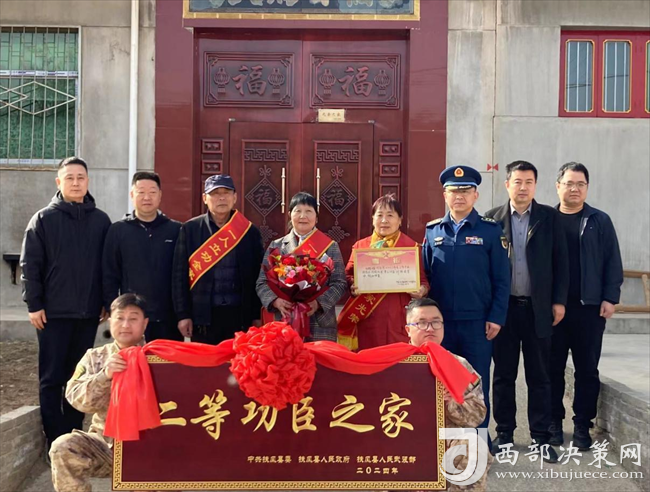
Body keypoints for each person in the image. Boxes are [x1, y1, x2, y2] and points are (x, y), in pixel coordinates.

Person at [20, 156, 111, 452]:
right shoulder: (44, 219)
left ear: (88, 181)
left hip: (88, 314)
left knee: (79, 377)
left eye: (80, 177)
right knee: (52, 378)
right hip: (52, 314)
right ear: (59, 182)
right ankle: (54, 440)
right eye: (69, 177)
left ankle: (73, 437)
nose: (75, 182)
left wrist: (105, 301)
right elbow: (30, 265)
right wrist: (34, 305)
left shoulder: (101, 221)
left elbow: (107, 266)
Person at [485, 160, 569, 461]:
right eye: (517, 181)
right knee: (503, 375)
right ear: (507, 184)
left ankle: (541, 437)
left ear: (536, 185)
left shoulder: (549, 218)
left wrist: (558, 301)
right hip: (504, 310)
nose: (523, 187)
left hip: (538, 308)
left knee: (540, 375)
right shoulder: (492, 219)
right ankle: (505, 433)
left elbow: (562, 263)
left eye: (529, 182)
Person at [422, 165, 510, 436]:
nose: (459, 196)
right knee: (442, 384)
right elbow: (425, 277)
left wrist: (496, 317)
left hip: (478, 324)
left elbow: (502, 279)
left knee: (476, 384)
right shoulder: (433, 231)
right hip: (442, 325)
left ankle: (479, 444)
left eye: (465, 190)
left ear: (475, 195)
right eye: (453, 191)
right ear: (444, 195)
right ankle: (446, 444)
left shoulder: (490, 231)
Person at [549, 162, 623, 450]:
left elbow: (612, 261)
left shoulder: (599, 221)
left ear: (587, 188)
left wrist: (610, 297)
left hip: (589, 309)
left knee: (587, 370)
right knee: (552, 368)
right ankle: (554, 423)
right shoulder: (547, 219)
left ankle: (582, 424)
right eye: (569, 183)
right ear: (558, 186)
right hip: (553, 310)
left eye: (580, 184)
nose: (574, 189)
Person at [49, 293, 149, 492]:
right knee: (63, 447)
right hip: (105, 445)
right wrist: (105, 376)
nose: (125, 325)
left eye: (133, 318)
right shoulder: (95, 357)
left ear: (145, 324)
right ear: (110, 322)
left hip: (148, 447)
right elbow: (76, 399)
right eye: (120, 318)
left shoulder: (159, 359)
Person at [405, 298, 492, 492]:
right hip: (401, 435)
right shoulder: (393, 363)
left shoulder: (459, 365)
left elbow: (478, 416)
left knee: (474, 446)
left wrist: (452, 402)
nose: (430, 328)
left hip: (445, 436)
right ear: (408, 329)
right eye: (421, 323)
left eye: (436, 322)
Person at [172, 175, 264, 344]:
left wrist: (256, 315)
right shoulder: (190, 229)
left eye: (226, 192)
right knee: (205, 361)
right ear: (204, 198)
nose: (221, 198)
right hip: (203, 317)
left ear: (234, 197)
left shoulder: (249, 232)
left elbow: (258, 276)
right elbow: (179, 276)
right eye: (215, 193)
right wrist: (183, 315)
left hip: (240, 316)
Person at [337, 194, 429, 350]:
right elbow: (348, 276)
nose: (384, 220)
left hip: (398, 316)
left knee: (398, 359)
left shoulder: (411, 247)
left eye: (390, 215)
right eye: (379, 215)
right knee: (369, 358)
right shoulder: (361, 246)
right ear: (373, 219)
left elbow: (424, 281)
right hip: (368, 316)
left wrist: (421, 290)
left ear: (400, 220)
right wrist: (353, 286)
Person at [256, 192, 347, 341]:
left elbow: (340, 283)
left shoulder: (330, 246)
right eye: (298, 211)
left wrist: (318, 303)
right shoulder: (276, 246)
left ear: (316, 218)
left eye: (308, 211)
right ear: (290, 215)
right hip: (285, 319)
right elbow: (262, 282)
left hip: (320, 323)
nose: (303, 216)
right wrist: (275, 301)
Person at [102, 171, 182, 342]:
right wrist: (113, 309)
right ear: (132, 195)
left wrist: (183, 313)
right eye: (141, 192)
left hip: (168, 317)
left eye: (152, 192)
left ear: (160, 195)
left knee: (165, 359)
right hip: (131, 318)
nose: (147, 197)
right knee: (133, 358)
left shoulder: (175, 230)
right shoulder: (118, 230)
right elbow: (109, 273)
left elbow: (181, 275)